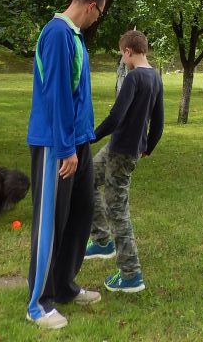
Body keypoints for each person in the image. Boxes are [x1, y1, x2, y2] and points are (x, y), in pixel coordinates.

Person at [26, 0, 107, 330]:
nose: (97, 20)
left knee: (80, 213)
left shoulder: (73, 36)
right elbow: (57, 94)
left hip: (79, 141)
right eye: (100, 14)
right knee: (50, 222)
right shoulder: (58, 33)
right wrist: (65, 149)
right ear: (91, 6)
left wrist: (79, 144)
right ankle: (38, 304)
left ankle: (63, 286)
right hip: (57, 144)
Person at [84, 29, 164, 294]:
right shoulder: (155, 77)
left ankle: (131, 274)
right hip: (120, 147)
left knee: (116, 208)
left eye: (122, 55)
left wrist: (89, 137)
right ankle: (101, 240)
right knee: (86, 179)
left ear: (128, 51)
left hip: (123, 152)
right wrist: (149, 146)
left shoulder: (134, 78)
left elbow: (116, 117)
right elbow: (159, 121)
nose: (122, 60)